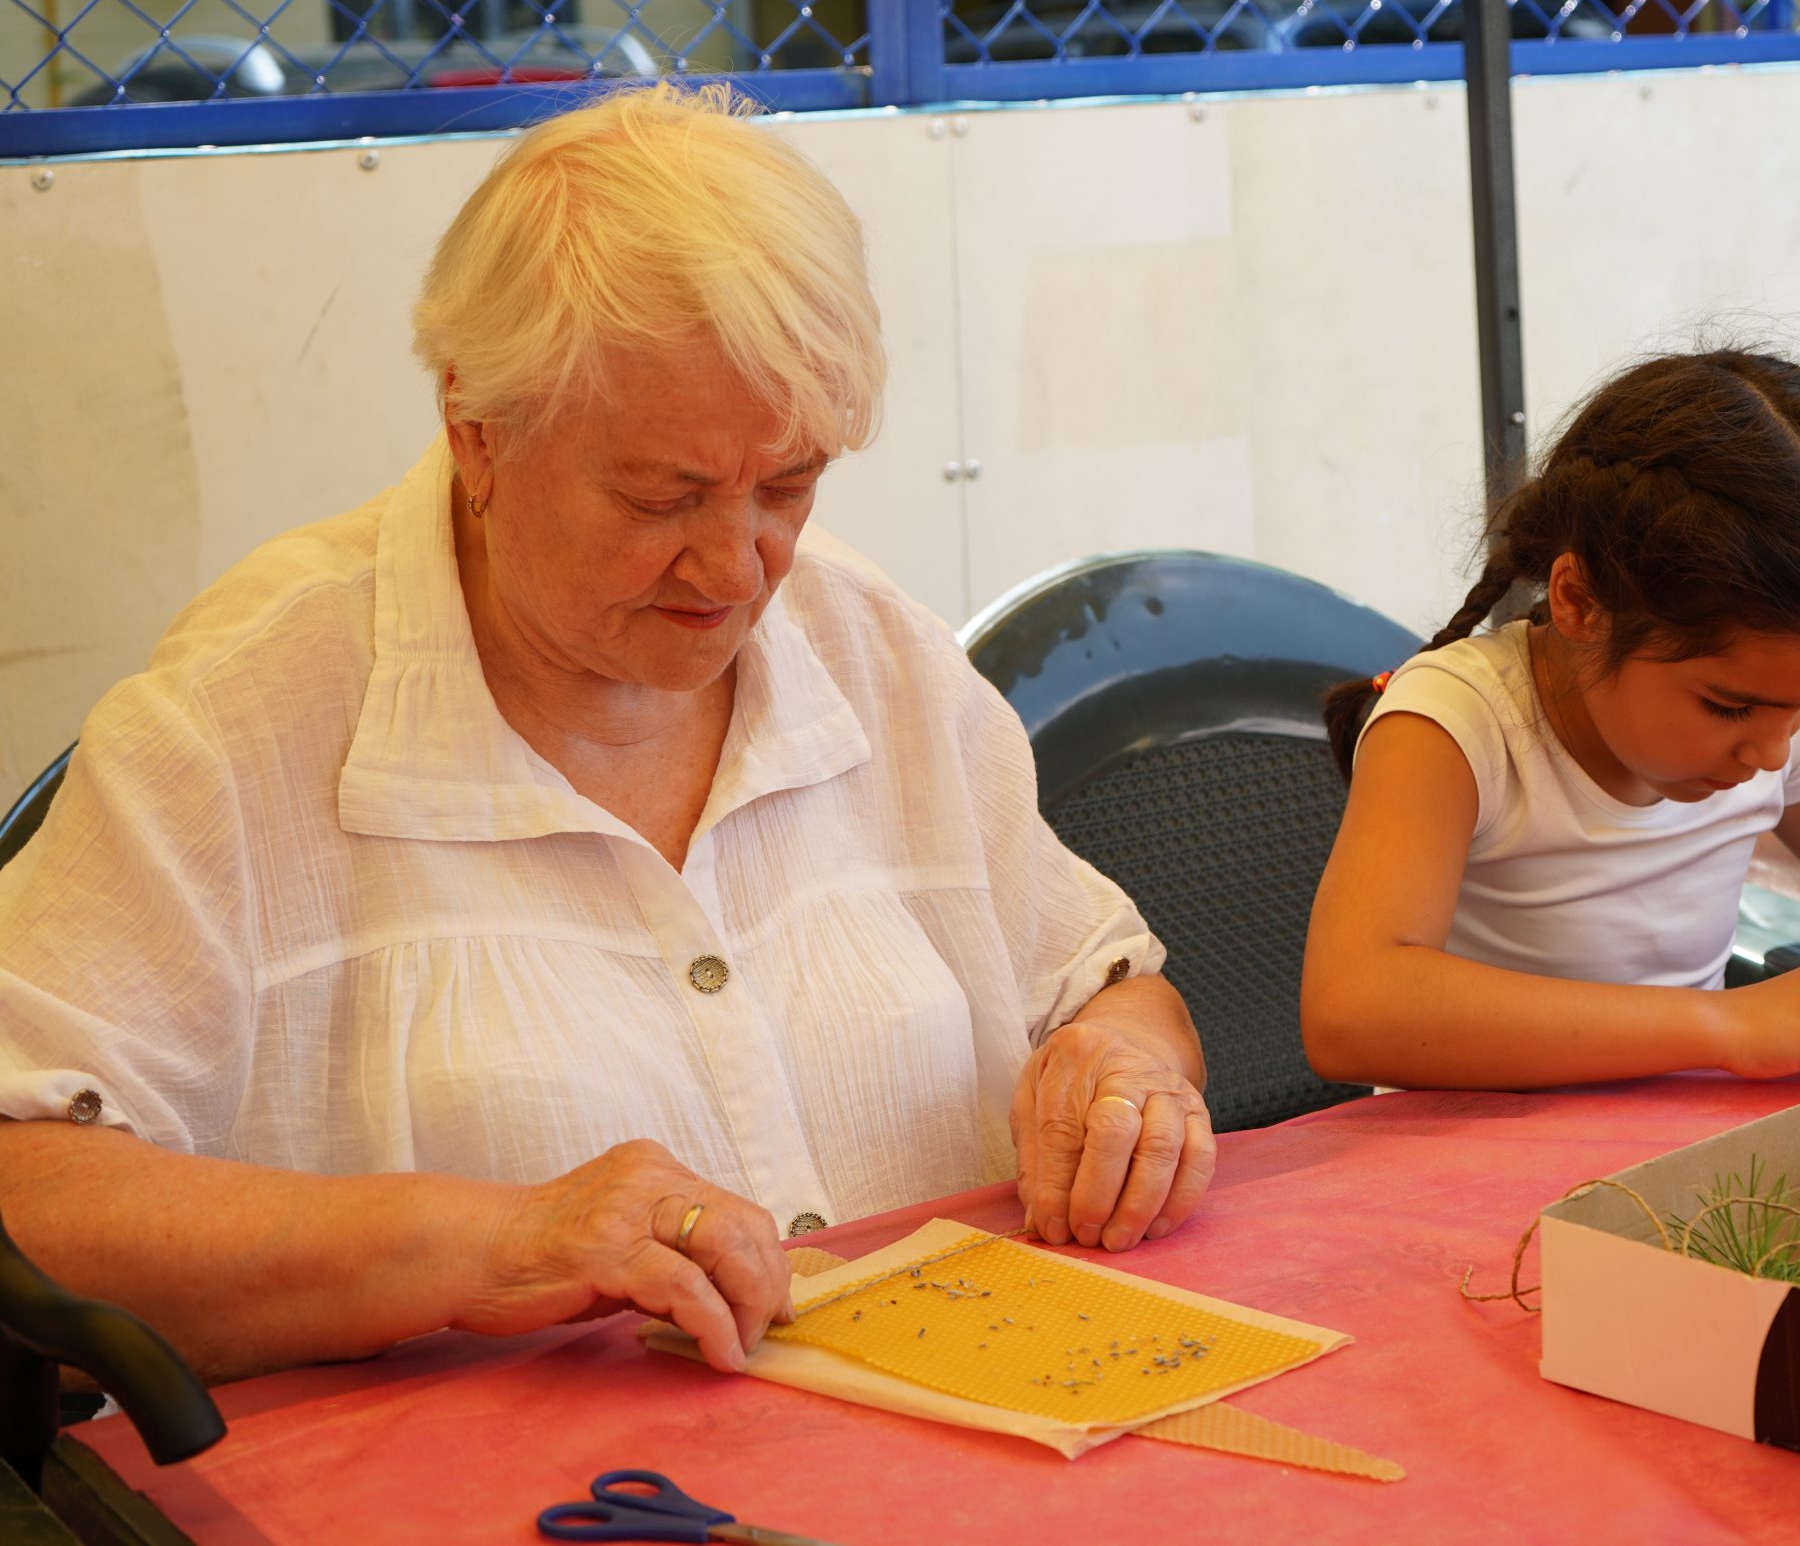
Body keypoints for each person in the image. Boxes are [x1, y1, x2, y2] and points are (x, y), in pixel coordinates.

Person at [0, 85, 1213, 1385]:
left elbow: (1106, 989)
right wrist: (484, 1243)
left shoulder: (874, 652)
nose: (738, 567)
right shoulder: (240, 726)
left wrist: (1122, 1073)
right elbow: (30, 1195)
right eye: (660, 496)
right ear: (477, 432)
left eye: (788, 483)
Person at [1298, 349, 1800, 1091]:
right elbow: (1352, 1009)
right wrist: (1726, 1025)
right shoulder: (1455, 726)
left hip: (1679, 1146)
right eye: (1728, 705)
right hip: (1463, 1151)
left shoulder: (1774, 719)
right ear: (1580, 601)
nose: (1773, 752)